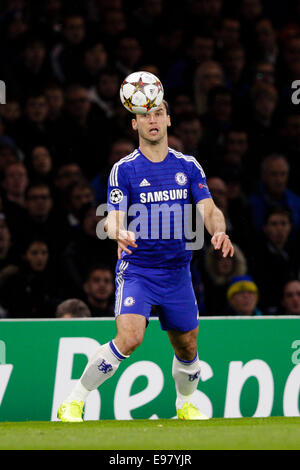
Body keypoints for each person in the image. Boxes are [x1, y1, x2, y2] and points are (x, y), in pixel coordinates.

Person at [57, 99, 234, 422]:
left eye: (158, 114)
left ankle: (185, 403)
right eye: (144, 116)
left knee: (187, 346)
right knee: (130, 337)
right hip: (138, 269)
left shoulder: (188, 165)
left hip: (178, 271)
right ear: (134, 125)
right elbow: (112, 218)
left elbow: (208, 209)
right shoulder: (124, 169)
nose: (152, 120)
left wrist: (218, 231)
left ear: (168, 120)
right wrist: (118, 232)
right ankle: (73, 401)